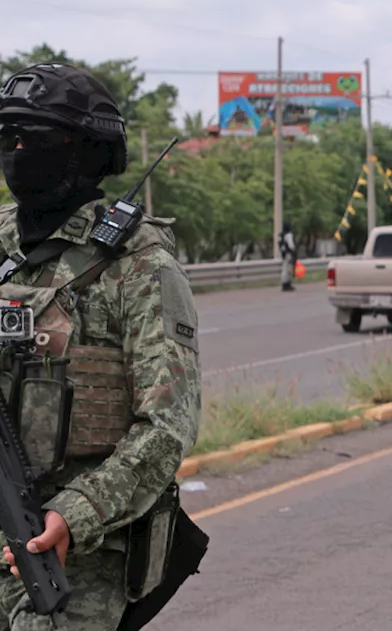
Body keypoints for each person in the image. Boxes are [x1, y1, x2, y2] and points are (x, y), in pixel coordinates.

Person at [0, 63, 201, 629]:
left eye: (34, 139)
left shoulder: (138, 265)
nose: (16, 152)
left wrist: (76, 513)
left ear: (86, 152)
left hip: (81, 554)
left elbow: (168, 427)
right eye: (6, 138)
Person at [279, 220, 297, 291]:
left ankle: (284, 283)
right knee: (288, 269)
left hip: (284, 254)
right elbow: (291, 245)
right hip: (289, 253)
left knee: (284, 268)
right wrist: (294, 252)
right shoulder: (289, 235)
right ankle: (287, 284)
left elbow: (280, 245)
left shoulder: (281, 235)